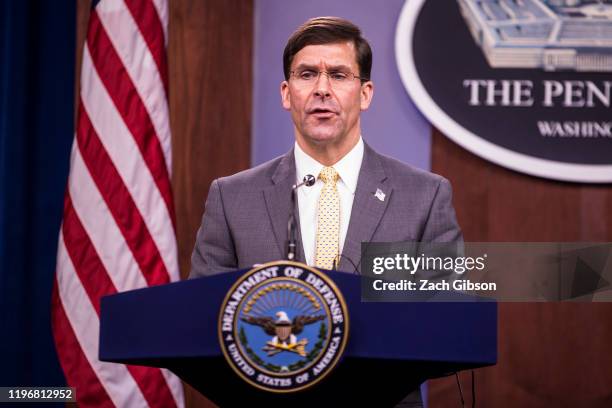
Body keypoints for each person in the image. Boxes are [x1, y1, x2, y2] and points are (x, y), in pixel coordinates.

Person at [190, 16, 462, 407]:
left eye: (338, 75)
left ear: (365, 94)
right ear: (286, 93)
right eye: (306, 75)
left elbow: (447, 323)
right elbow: (202, 321)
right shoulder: (232, 198)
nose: (321, 89)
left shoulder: (424, 196)